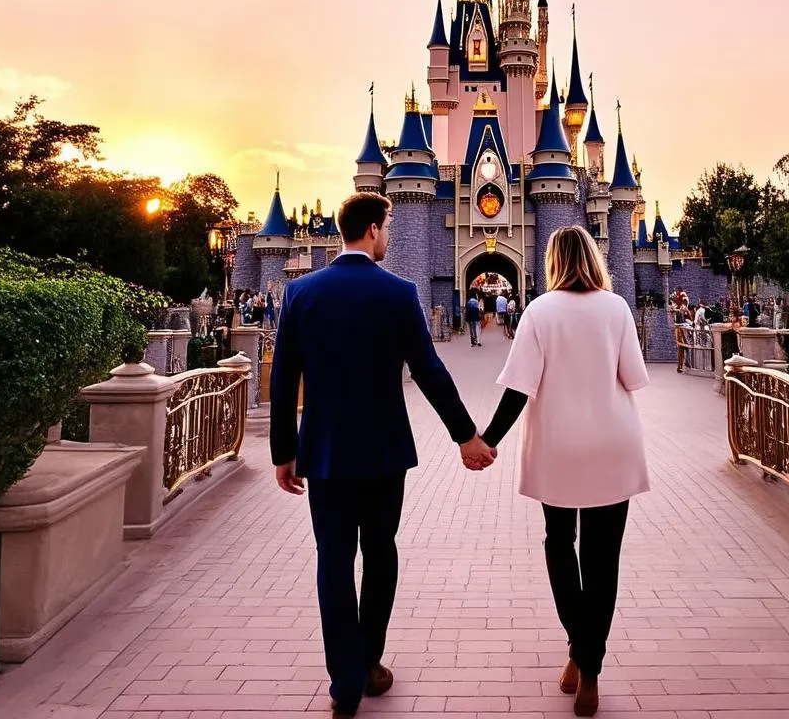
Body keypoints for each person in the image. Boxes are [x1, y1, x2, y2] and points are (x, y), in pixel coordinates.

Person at [269, 192, 496, 716]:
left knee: (333, 559)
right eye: (388, 227)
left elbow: (283, 380)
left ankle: (344, 681)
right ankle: (369, 661)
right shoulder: (398, 293)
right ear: (371, 230)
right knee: (380, 551)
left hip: (323, 453)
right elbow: (429, 371)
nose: (390, 237)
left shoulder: (301, 293)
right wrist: (467, 436)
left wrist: (285, 450)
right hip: (383, 453)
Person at [480, 225, 649, 718]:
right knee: (603, 560)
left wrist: (487, 441)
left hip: (558, 448)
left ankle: (580, 650)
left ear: (553, 260)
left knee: (560, 544)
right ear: (594, 258)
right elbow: (634, 378)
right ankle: (588, 665)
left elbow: (518, 390)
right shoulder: (617, 308)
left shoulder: (539, 311)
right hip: (612, 447)